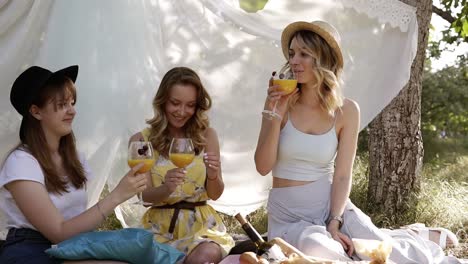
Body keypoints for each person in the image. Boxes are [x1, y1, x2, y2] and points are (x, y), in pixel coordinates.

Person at [254, 21, 459, 263]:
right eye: (291, 54)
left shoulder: (347, 111)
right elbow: (263, 166)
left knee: (390, 255)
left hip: (331, 205)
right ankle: (401, 233)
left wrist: (334, 221)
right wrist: (273, 113)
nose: (294, 61)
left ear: (323, 59)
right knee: (328, 253)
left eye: (304, 54)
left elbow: (342, 176)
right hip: (289, 217)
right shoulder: (280, 103)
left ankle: (406, 236)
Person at [0, 65, 147, 264]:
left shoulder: (74, 158)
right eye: (62, 104)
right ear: (36, 111)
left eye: (72, 102)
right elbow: (58, 232)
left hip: (72, 247)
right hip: (32, 250)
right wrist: (117, 196)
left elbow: (75, 225)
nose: (72, 111)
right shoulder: (21, 162)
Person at [129, 67, 234, 264]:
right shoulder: (142, 142)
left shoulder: (207, 136)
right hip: (159, 226)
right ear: (163, 102)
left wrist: (213, 176)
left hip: (200, 225)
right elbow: (144, 197)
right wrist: (166, 188)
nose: (182, 112)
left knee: (205, 256)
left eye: (190, 105)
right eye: (175, 103)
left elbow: (215, 193)